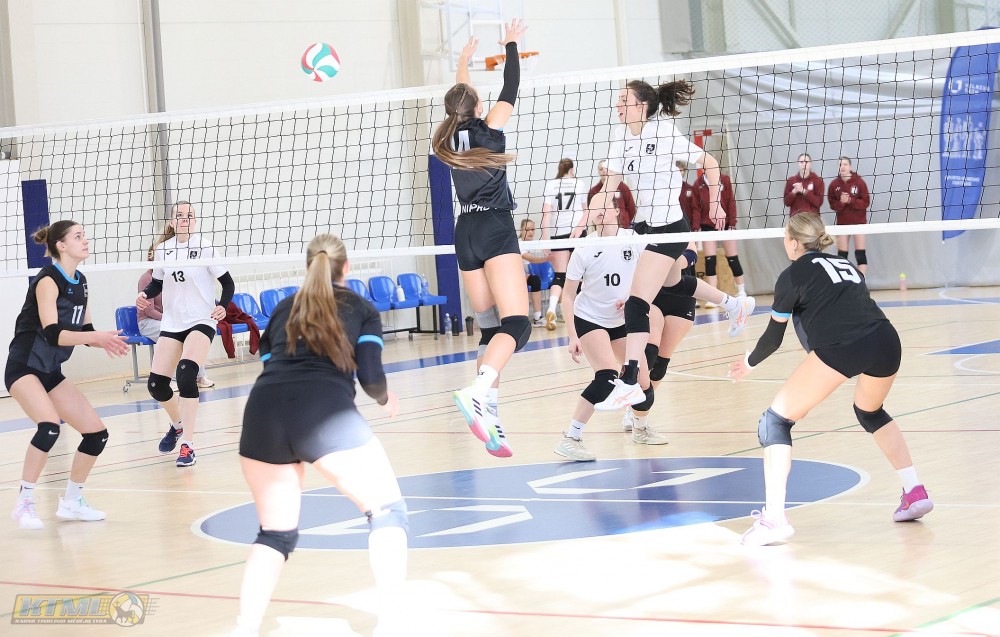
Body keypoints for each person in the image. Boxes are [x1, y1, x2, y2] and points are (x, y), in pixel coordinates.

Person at [232, 234, 405, 637]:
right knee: (387, 512)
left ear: (308, 266)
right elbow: (371, 378)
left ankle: (245, 628)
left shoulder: (281, 309)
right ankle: (392, 623)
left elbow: (271, 365)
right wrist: (385, 399)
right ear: (346, 268)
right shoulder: (361, 308)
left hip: (263, 413)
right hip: (324, 412)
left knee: (275, 534)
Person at [728, 213, 932, 546]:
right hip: (886, 339)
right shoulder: (845, 264)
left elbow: (773, 338)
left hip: (845, 345)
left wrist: (748, 363)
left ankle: (774, 519)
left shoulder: (792, 275)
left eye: (785, 237)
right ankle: (914, 491)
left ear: (794, 242)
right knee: (870, 411)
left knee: (774, 421)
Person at [591, 79, 756, 410]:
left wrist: (714, 203)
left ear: (641, 106)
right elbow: (610, 185)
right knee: (674, 283)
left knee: (637, 302)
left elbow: (710, 162)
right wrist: (590, 214)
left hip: (669, 228)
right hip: (644, 228)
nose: (617, 105)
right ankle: (733, 304)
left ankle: (629, 381)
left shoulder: (663, 132)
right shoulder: (621, 136)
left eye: (623, 99)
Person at [430, 19, 528, 458]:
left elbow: (461, 98)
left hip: (464, 231)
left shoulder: (448, 135)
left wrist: (464, 60)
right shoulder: (489, 127)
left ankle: (489, 415)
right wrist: (511, 45)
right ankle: (479, 390)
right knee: (517, 325)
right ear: (478, 104)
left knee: (489, 329)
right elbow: (512, 84)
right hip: (493, 227)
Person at [7, 221, 129, 529]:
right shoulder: (48, 280)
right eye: (78, 237)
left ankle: (72, 501)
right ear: (61, 246)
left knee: (96, 434)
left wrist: (105, 339)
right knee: (49, 427)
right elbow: (52, 333)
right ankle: (24, 502)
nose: (85, 241)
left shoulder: (81, 281)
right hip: (24, 366)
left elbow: (86, 331)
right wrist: (96, 337)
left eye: (84, 235)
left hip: (50, 370)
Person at [554, 205, 667, 461]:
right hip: (590, 318)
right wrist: (572, 335)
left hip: (622, 320)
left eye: (606, 206)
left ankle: (640, 430)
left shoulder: (633, 240)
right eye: (595, 207)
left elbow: (653, 275)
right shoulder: (584, 247)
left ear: (617, 210)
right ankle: (571, 438)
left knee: (643, 381)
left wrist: (634, 298)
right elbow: (568, 295)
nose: (601, 211)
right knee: (607, 376)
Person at [136, 201, 234, 467]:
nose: (184, 219)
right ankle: (177, 425)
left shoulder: (205, 246)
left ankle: (188, 445)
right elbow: (157, 283)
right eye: (179, 216)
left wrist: (223, 307)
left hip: (201, 319)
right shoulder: (163, 250)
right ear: (172, 221)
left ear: (195, 221)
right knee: (156, 385)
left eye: (189, 216)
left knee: (186, 372)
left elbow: (227, 283)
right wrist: (144, 295)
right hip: (172, 322)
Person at [137, 246, 214, 388]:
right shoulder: (146, 279)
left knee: (192, 334)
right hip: (148, 322)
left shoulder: (171, 275)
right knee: (173, 335)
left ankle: (200, 376)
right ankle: (171, 380)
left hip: (169, 318)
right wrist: (171, 320)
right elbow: (149, 310)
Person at [540, 158, 589, 330]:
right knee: (580, 273)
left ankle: (551, 309)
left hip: (558, 233)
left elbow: (546, 213)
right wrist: (587, 231)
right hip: (577, 232)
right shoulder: (579, 184)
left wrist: (545, 238)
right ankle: (580, 312)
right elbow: (586, 211)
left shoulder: (551, 185)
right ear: (572, 170)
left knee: (560, 275)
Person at [693, 169, 746, 300]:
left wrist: (732, 223)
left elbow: (731, 202)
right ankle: (713, 295)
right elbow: (696, 208)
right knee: (710, 261)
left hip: (726, 224)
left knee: (733, 258)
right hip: (707, 225)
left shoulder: (724, 180)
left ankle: (741, 291)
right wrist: (696, 227)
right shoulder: (698, 184)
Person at [827, 156, 871, 275]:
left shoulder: (859, 182)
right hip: (843, 223)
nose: (842, 166)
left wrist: (850, 200)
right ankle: (843, 280)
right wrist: (841, 202)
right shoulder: (834, 184)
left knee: (860, 253)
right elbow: (832, 205)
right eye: (840, 164)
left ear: (850, 166)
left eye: (845, 164)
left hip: (859, 223)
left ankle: (862, 280)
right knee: (842, 255)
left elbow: (866, 203)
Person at [587, 159, 637, 229]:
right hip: (602, 229)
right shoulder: (594, 191)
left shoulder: (622, 187)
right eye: (601, 169)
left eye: (606, 168)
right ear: (598, 172)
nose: (604, 171)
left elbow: (631, 208)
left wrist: (625, 221)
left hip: (623, 227)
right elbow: (591, 212)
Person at [518, 218, 548, 326]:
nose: (531, 232)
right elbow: (532, 259)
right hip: (515, 276)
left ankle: (537, 318)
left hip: (526, 275)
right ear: (521, 230)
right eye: (527, 229)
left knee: (535, 280)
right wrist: (549, 258)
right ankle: (520, 319)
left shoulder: (533, 244)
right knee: (521, 284)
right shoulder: (518, 244)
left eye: (532, 229)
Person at [783, 153, 824, 217]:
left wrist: (804, 191)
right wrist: (794, 191)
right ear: (797, 163)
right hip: (796, 219)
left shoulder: (818, 181)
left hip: (812, 219)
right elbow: (787, 203)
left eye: (806, 162)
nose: (804, 164)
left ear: (811, 163)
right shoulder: (791, 180)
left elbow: (818, 203)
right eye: (801, 162)